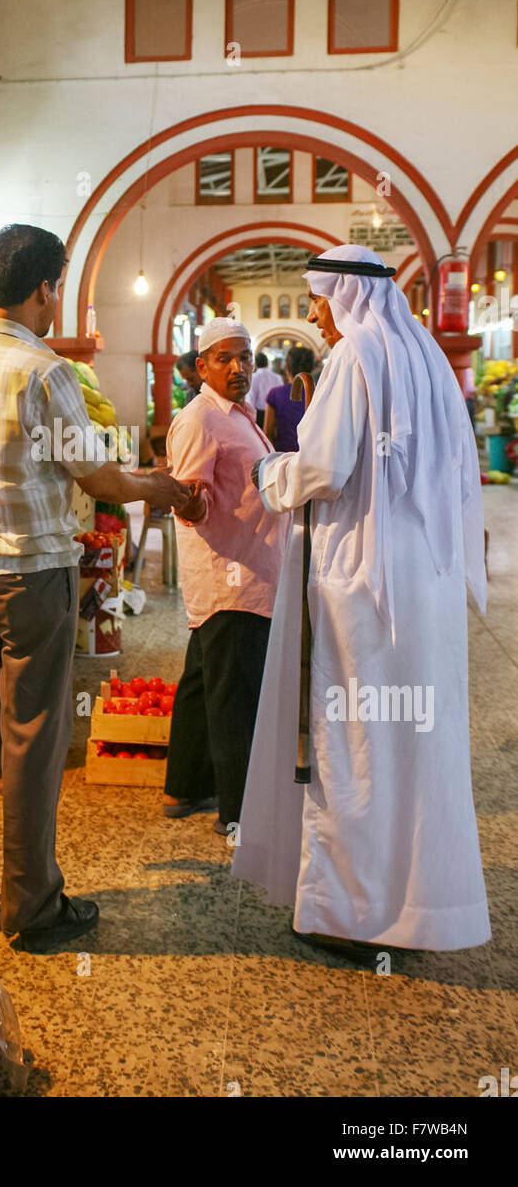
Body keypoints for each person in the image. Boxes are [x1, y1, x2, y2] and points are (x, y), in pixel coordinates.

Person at [0, 224, 190, 950]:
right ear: (43, 290)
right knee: (32, 737)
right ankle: (33, 908)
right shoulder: (43, 371)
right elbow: (97, 477)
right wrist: (157, 485)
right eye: (57, 286)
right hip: (29, 577)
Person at [235, 244, 490, 951]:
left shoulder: (354, 358)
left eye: (319, 298)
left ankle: (351, 913)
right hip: (425, 580)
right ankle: (420, 905)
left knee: (353, 740)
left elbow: (322, 467)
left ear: (347, 296)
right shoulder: (429, 359)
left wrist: (268, 474)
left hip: (365, 579)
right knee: (415, 744)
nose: (315, 311)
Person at [163, 319, 289, 834]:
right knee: (235, 695)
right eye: (225, 359)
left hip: (246, 571)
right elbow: (193, 499)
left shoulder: (237, 415)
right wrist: (191, 502)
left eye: (246, 357)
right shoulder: (199, 421)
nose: (239, 368)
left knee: (202, 684)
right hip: (231, 579)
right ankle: (238, 815)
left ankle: (184, 788)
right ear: (202, 366)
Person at [264, 345, 315, 452]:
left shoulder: (275, 394)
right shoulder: (320, 394)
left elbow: (268, 433)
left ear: (287, 368)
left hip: (283, 455)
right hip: (312, 455)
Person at [249, 351, 283, 428]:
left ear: (256, 364)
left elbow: (252, 398)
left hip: (260, 414)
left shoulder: (254, 377)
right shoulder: (277, 377)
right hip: (275, 413)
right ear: (267, 363)